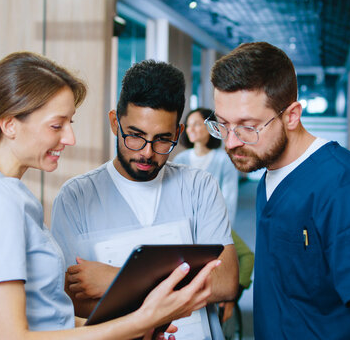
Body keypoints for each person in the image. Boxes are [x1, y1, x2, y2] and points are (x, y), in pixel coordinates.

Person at [0, 52, 221, 340]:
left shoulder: (10, 194)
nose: (69, 138)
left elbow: (49, 320)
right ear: (9, 124)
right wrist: (139, 321)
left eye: (70, 124)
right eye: (57, 125)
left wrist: (136, 328)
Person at [209, 42, 350, 339]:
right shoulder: (270, 173)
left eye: (247, 127)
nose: (230, 142)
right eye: (223, 125)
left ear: (291, 115)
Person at [51, 60, 239, 340]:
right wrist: (182, 291)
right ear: (115, 123)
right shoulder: (76, 196)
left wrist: (114, 279)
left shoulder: (199, 186)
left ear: (178, 133)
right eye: (136, 136)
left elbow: (225, 282)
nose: (147, 153)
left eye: (163, 140)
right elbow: (70, 299)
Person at [173, 108, 254, 330]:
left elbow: (230, 198)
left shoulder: (222, 160)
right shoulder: (180, 159)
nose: (192, 129)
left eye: (198, 124)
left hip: (215, 224)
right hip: (185, 225)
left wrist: (222, 228)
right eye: (189, 125)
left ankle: (227, 300)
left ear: (210, 129)